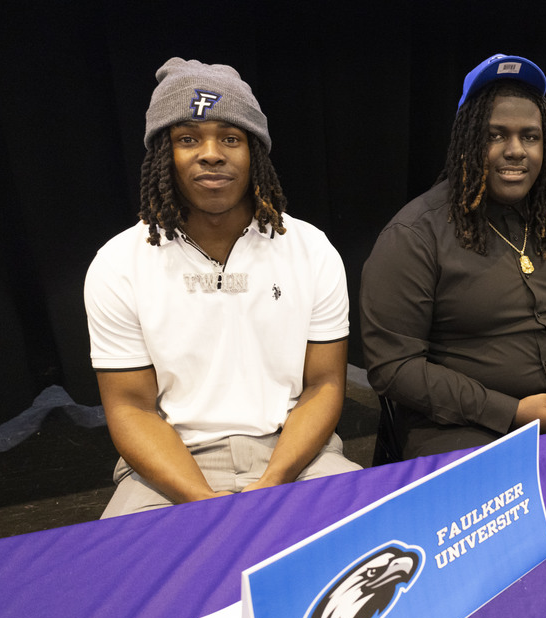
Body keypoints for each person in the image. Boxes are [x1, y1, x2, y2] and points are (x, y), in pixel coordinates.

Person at [85, 58, 360, 517]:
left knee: (376, 542)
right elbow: (131, 408)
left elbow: (325, 384)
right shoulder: (119, 262)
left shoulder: (311, 249)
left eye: (230, 138)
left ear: (255, 152)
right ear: (162, 155)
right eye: (188, 138)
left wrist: (272, 483)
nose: (211, 153)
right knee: (126, 580)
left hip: (297, 456)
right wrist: (204, 505)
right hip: (171, 466)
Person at [360, 54, 546, 460]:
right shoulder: (414, 235)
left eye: (530, 136)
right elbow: (394, 368)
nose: (515, 150)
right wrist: (511, 412)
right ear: (467, 141)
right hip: (465, 422)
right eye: (494, 136)